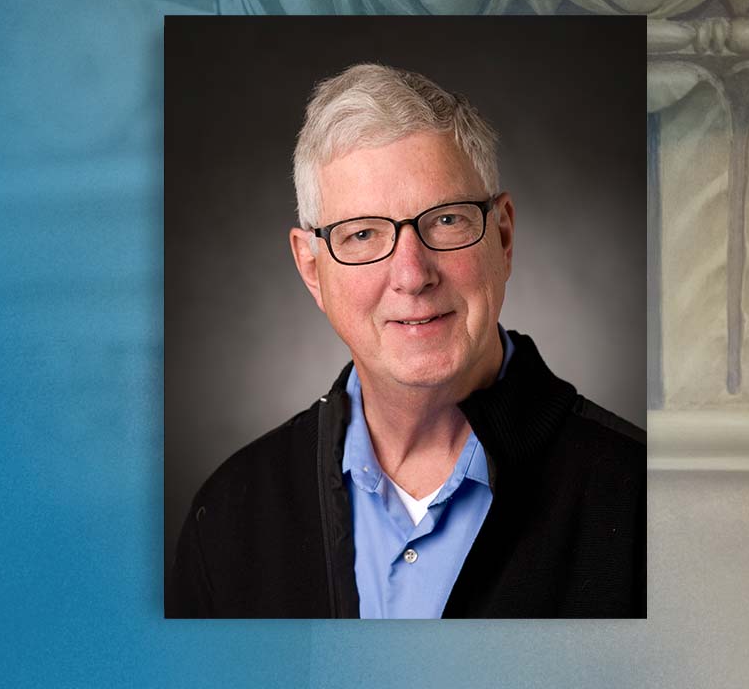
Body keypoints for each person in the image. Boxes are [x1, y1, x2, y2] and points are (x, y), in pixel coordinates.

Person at [167, 63, 645, 618]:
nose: (412, 274)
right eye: (363, 233)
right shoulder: (228, 516)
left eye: (445, 220)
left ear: (504, 236)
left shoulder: (645, 504)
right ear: (312, 269)